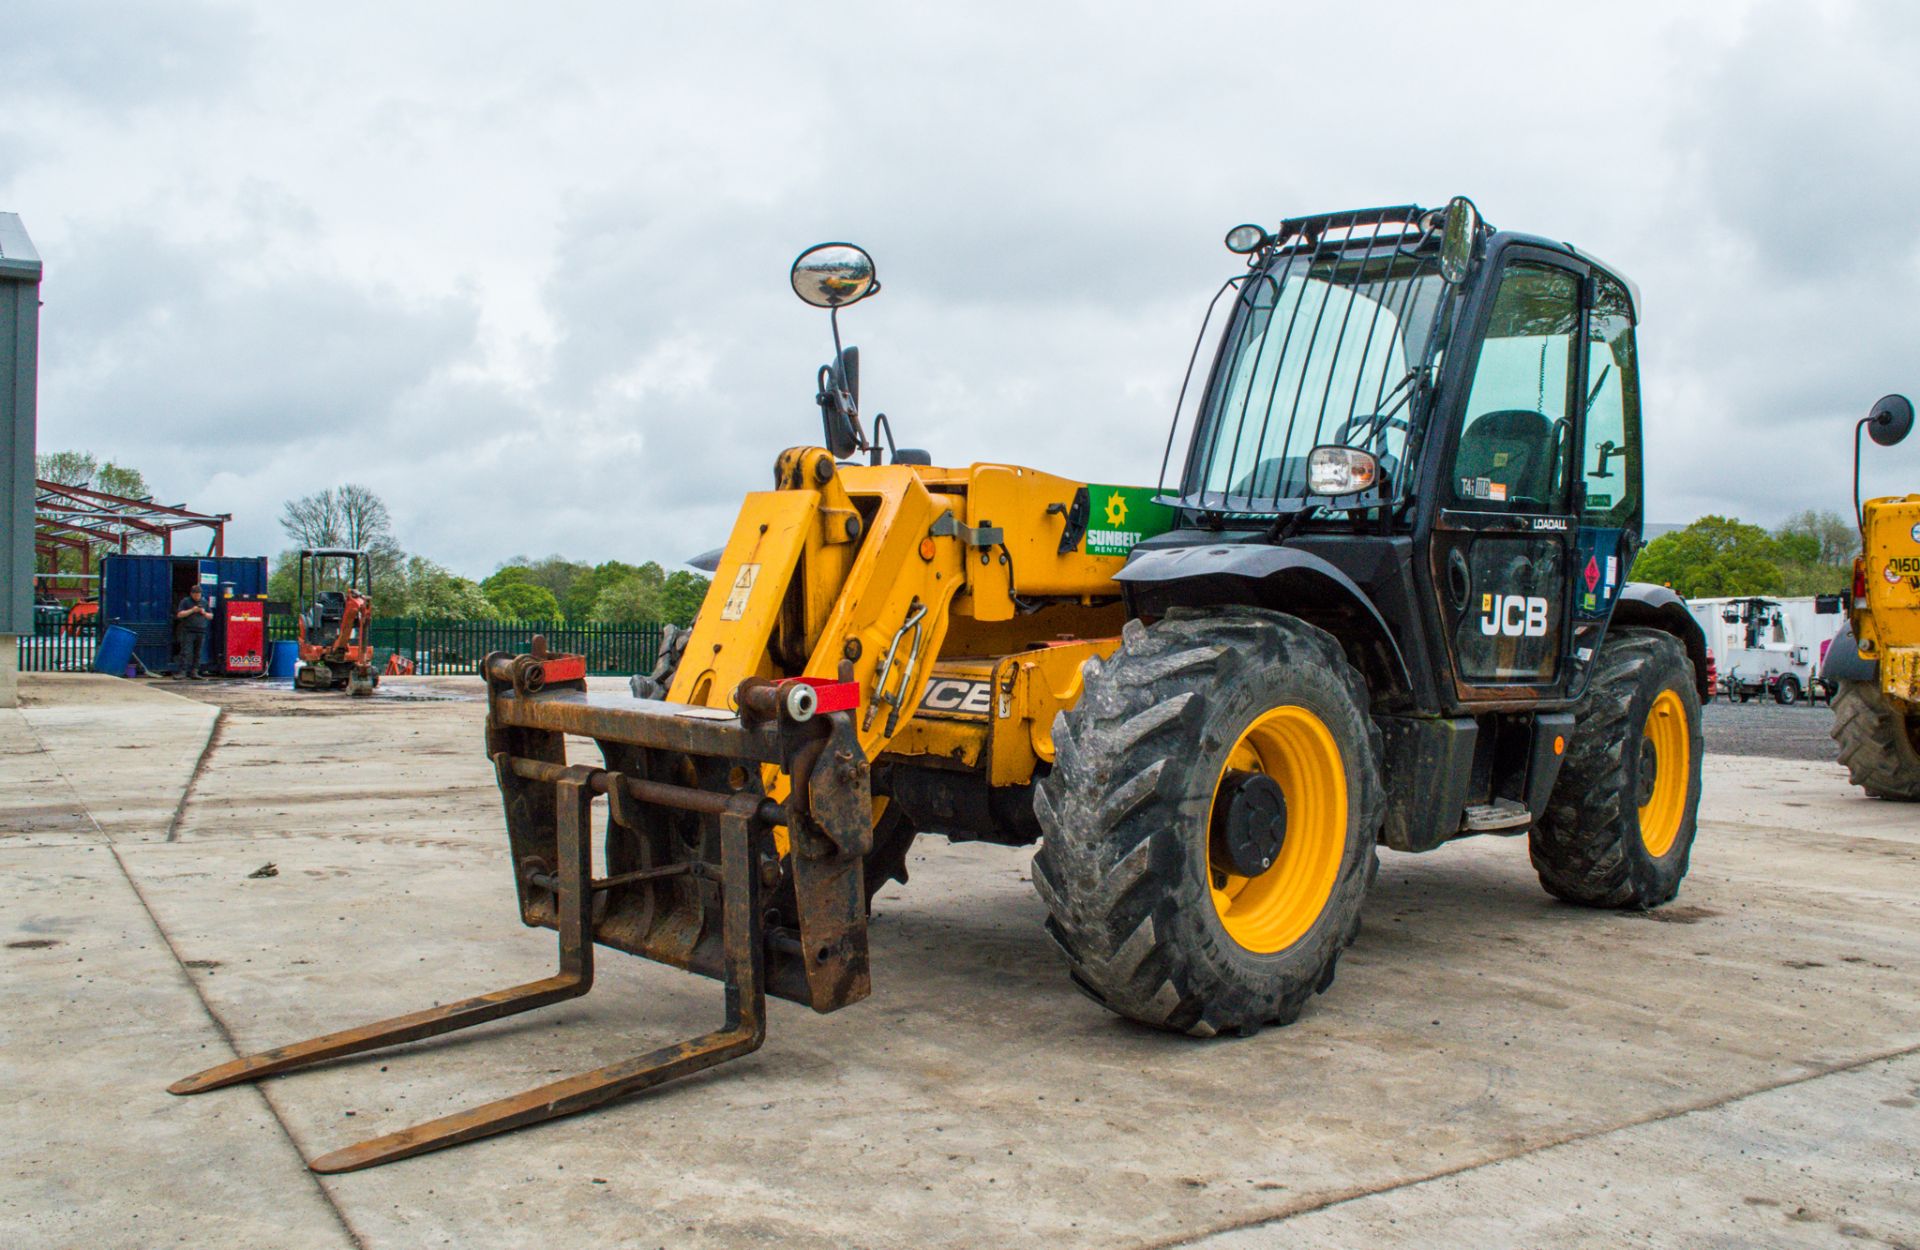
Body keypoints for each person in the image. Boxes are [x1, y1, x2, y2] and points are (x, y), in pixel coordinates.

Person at [173, 583, 214, 679]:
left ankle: (194, 672)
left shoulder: (204, 602)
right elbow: (179, 614)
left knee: (198, 653)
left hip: (201, 631)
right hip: (188, 631)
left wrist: (203, 612)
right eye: (195, 595)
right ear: (191, 594)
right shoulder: (185, 602)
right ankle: (182, 672)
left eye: (199, 595)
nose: (197, 597)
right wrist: (192, 610)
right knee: (186, 652)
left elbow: (211, 616)